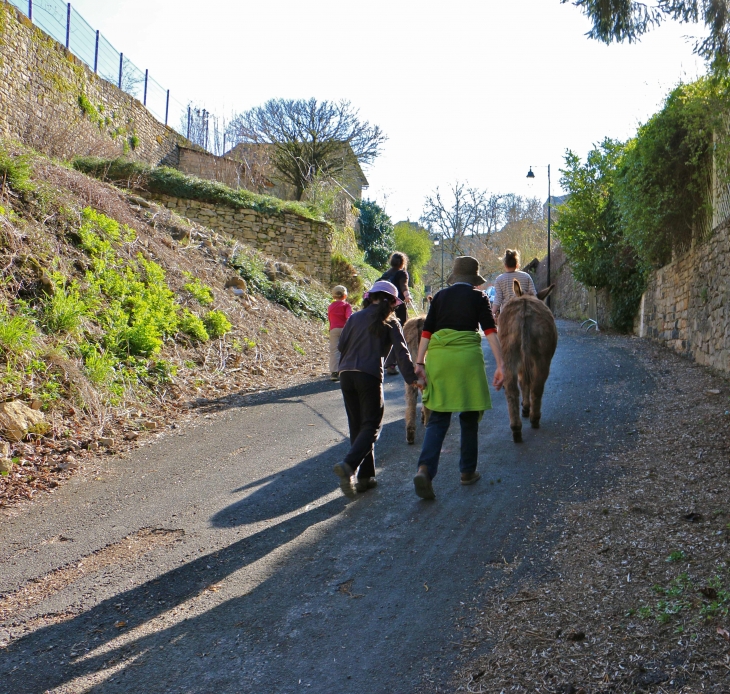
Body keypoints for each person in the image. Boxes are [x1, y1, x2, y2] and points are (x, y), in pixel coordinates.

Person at [412, 256, 505, 500]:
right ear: (474, 279)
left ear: (454, 277)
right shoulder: (478, 297)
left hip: (440, 360)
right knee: (469, 415)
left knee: (438, 418)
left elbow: (427, 331)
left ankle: (424, 470)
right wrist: (501, 364)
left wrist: (420, 363)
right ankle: (467, 471)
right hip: (466, 360)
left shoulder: (440, 296)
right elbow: (490, 331)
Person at [333, 281, 420, 497]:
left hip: (346, 374)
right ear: (392, 303)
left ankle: (366, 476)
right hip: (368, 374)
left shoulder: (354, 317)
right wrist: (412, 378)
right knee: (372, 425)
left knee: (358, 425)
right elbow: (402, 353)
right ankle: (349, 465)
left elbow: (341, 346)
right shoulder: (390, 323)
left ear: (369, 297)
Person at [378, 252, 413, 375]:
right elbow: (404, 286)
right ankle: (392, 364)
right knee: (397, 335)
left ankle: (382, 363)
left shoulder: (385, 275)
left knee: (385, 334)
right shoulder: (401, 273)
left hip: (383, 308)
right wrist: (407, 296)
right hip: (397, 308)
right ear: (403, 263)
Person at [492, 249, 536, 325]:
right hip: (524, 314)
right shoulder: (526, 276)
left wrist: (492, 313)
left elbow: (498, 299)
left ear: (505, 265)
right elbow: (534, 295)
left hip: (507, 316)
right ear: (517, 264)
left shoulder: (499, 279)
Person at [327, 285, 352, 381]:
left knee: (334, 350)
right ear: (345, 296)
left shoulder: (330, 306)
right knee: (347, 348)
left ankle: (334, 372)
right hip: (344, 329)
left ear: (333, 296)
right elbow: (349, 317)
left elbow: (330, 319)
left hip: (333, 329)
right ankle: (346, 370)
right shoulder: (346, 305)